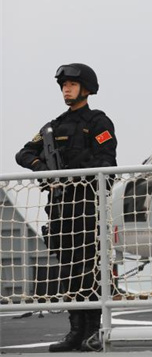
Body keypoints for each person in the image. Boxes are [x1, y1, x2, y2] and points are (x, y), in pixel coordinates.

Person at [16, 63, 117, 352]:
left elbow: (106, 161)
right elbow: (24, 152)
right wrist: (42, 168)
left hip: (85, 205)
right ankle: (75, 332)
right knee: (68, 271)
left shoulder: (98, 122)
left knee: (88, 269)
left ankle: (92, 332)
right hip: (59, 209)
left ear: (85, 88)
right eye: (63, 86)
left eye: (71, 85)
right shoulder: (53, 126)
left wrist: (73, 174)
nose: (66, 89)